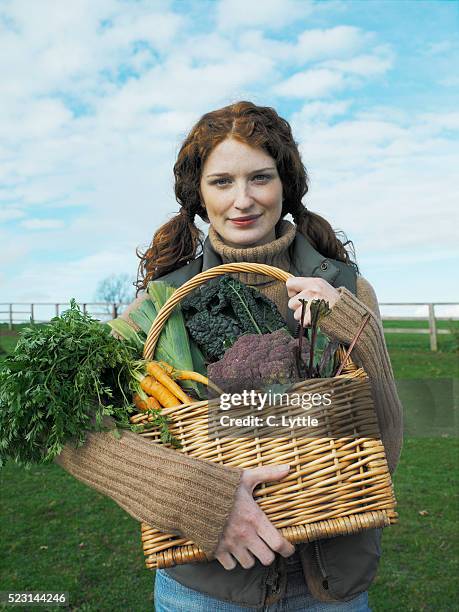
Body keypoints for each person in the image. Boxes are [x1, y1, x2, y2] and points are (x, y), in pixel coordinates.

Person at [55, 101, 403, 611]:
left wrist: (358, 332)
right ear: (198, 194)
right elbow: (57, 416)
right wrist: (190, 496)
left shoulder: (347, 290)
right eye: (221, 182)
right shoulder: (160, 305)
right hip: (205, 591)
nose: (243, 200)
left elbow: (385, 448)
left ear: (286, 185)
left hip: (332, 588)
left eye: (260, 178)